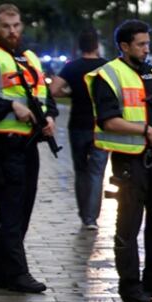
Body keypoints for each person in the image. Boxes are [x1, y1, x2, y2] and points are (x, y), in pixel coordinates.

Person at [87, 20, 152, 302]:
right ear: (124, 46)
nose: (145, 50)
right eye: (140, 44)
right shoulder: (109, 75)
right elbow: (108, 120)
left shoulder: (151, 73)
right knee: (128, 224)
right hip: (129, 161)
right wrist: (145, 130)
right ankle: (129, 286)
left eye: (147, 44)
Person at [0, 4, 57, 293]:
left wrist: (50, 117)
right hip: (3, 146)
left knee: (23, 209)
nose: (12, 31)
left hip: (29, 145)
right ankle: (18, 274)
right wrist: (11, 106)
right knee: (11, 211)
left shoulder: (29, 58)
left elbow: (43, 94)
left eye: (16, 25)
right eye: (6, 26)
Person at [50, 27, 108, 230]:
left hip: (77, 126)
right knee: (97, 172)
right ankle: (91, 217)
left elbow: (53, 90)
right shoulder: (106, 67)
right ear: (97, 45)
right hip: (101, 126)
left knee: (81, 171)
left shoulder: (72, 68)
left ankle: (84, 213)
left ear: (79, 46)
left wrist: (70, 91)